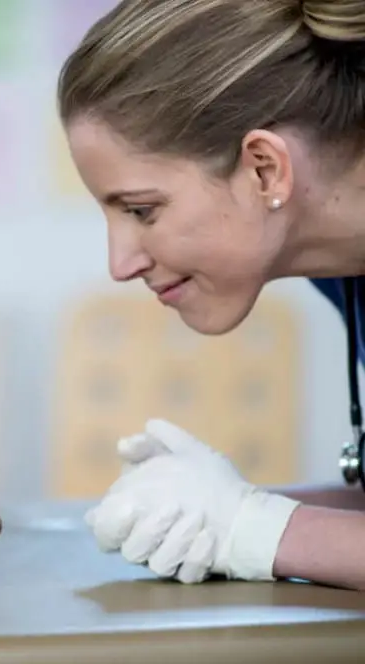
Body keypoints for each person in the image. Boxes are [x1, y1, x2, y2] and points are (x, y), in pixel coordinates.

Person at [57, 0, 365, 592]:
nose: (120, 264)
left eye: (143, 210)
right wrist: (205, 512)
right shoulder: (339, 269)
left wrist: (253, 527)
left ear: (264, 171)